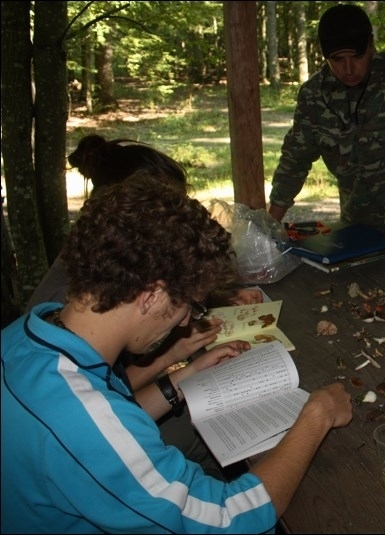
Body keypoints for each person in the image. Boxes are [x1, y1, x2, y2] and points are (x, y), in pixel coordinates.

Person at [1, 174, 353, 533]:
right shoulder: (81, 420)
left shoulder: (31, 331)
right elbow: (229, 520)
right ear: (152, 295)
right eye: (189, 304)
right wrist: (317, 414)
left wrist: (180, 379)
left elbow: (109, 418)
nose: (187, 321)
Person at [25, 134, 264, 479]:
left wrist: (182, 369)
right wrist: (315, 419)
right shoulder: (78, 411)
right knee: (219, 422)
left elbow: (111, 395)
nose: (185, 322)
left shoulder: (70, 308)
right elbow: (103, 419)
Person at [267, 4, 385, 259]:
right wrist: (270, 225)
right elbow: (295, 158)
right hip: (355, 213)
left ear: (371, 46)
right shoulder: (314, 95)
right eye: (337, 60)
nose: (348, 69)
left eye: (356, 57)